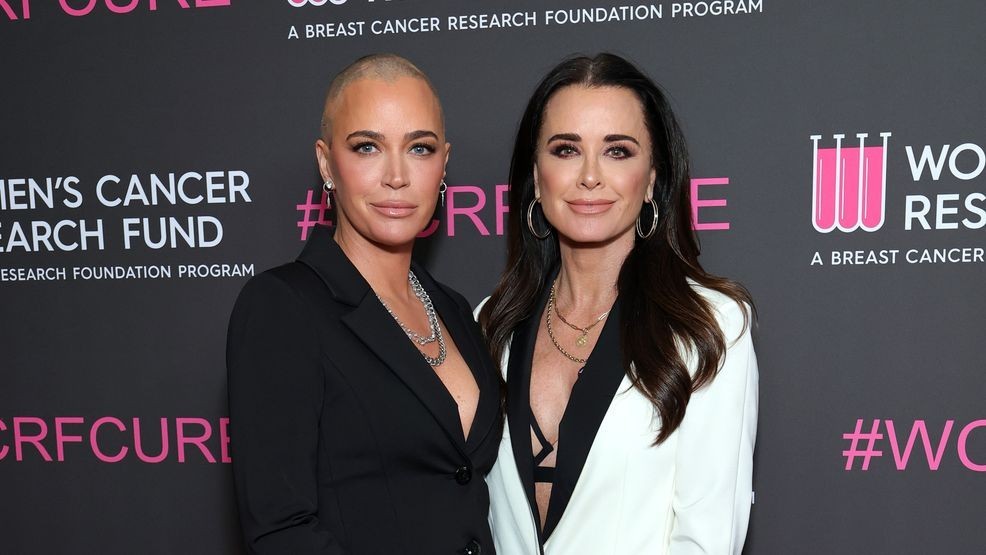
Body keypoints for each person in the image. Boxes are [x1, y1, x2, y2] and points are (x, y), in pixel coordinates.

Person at [479, 53, 758, 554]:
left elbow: (707, 539)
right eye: (565, 150)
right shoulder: (490, 324)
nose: (590, 176)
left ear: (652, 177)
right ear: (536, 177)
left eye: (618, 152)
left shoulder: (707, 327)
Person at [227, 54, 501, 555]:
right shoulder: (283, 308)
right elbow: (281, 531)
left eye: (420, 148)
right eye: (367, 147)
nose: (396, 176)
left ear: (444, 163)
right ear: (327, 162)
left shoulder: (458, 312)